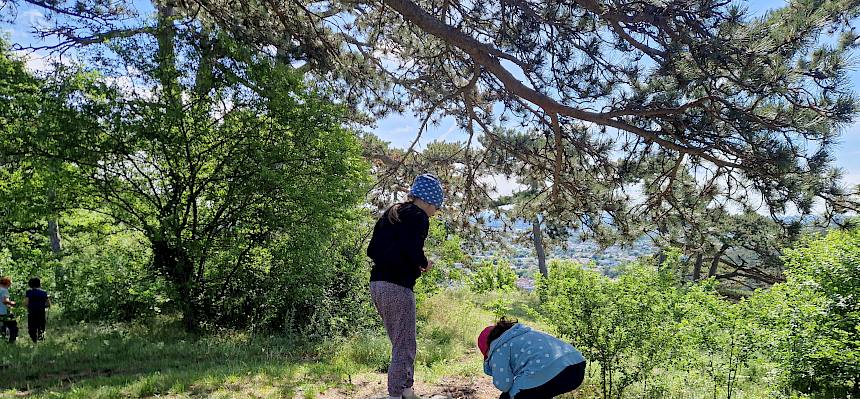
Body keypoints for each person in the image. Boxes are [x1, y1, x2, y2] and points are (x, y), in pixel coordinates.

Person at [367, 173, 444, 399]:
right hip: (397, 285)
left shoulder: (392, 212)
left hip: (378, 283)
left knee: (402, 341)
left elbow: (372, 250)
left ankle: (407, 391)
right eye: (436, 207)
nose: (435, 212)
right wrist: (423, 263)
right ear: (428, 201)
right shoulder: (418, 216)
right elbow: (412, 248)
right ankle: (397, 394)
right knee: (404, 345)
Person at [479, 318, 587, 399]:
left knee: (509, 397)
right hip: (576, 364)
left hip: (548, 370)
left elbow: (504, 384)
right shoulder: (522, 333)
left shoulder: (497, 348)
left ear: (488, 350)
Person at [24, 277, 50, 342]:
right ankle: (40, 339)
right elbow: (48, 304)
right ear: (39, 284)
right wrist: (43, 306)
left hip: (32, 312)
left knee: (32, 327)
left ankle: (34, 340)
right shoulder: (44, 292)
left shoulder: (29, 292)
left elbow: (26, 303)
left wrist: (29, 307)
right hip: (41, 312)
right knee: (41, 326)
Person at [0, 276, 18, 343]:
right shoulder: (4, 290)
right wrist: (12, 303)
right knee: (13, 326)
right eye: (10, 283)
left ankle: (3, 338)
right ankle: (11, 341)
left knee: (2, 326)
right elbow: (5, 301)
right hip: (3, 312)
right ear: (7, 283)